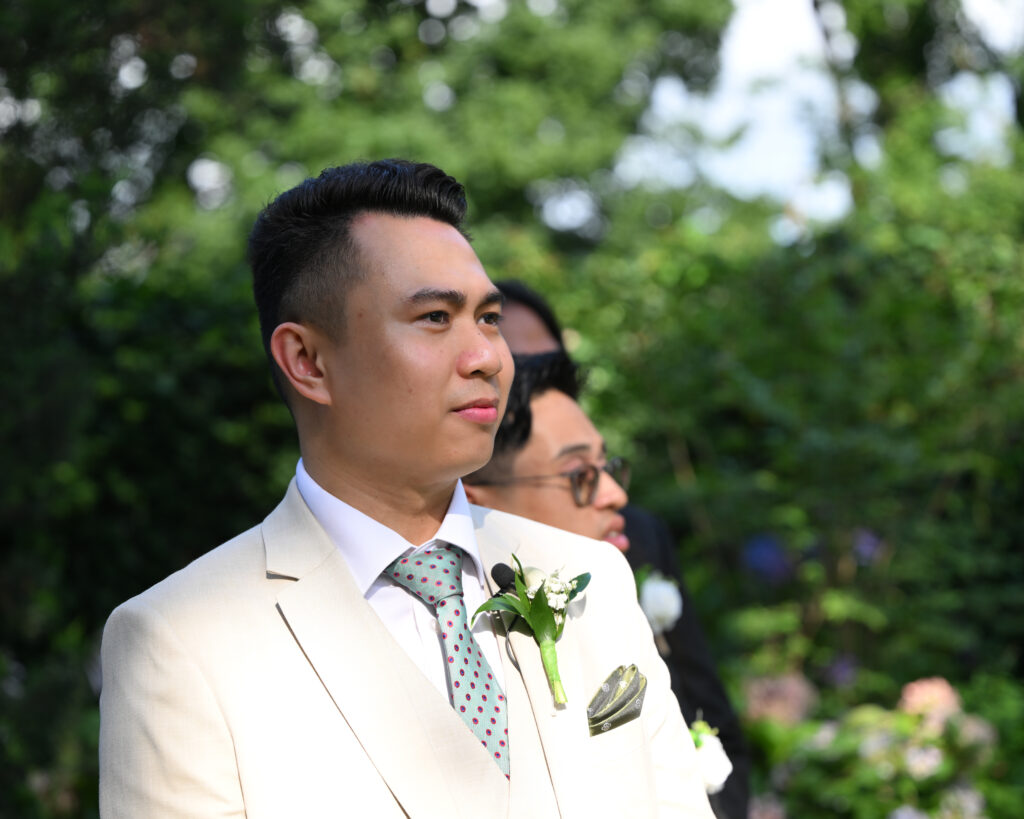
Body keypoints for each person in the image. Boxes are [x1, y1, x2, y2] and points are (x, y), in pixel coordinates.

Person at [98, 159, 715, 818]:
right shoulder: (182, 639)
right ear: (308, 361)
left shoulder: (592, 578)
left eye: (488, 317)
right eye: (435, 317)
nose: (487, 357)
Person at [490, 280, 750, 819]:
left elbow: (704, 714)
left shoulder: (633, 543)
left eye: (542, 360)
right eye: (579, 476)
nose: (613, 494)